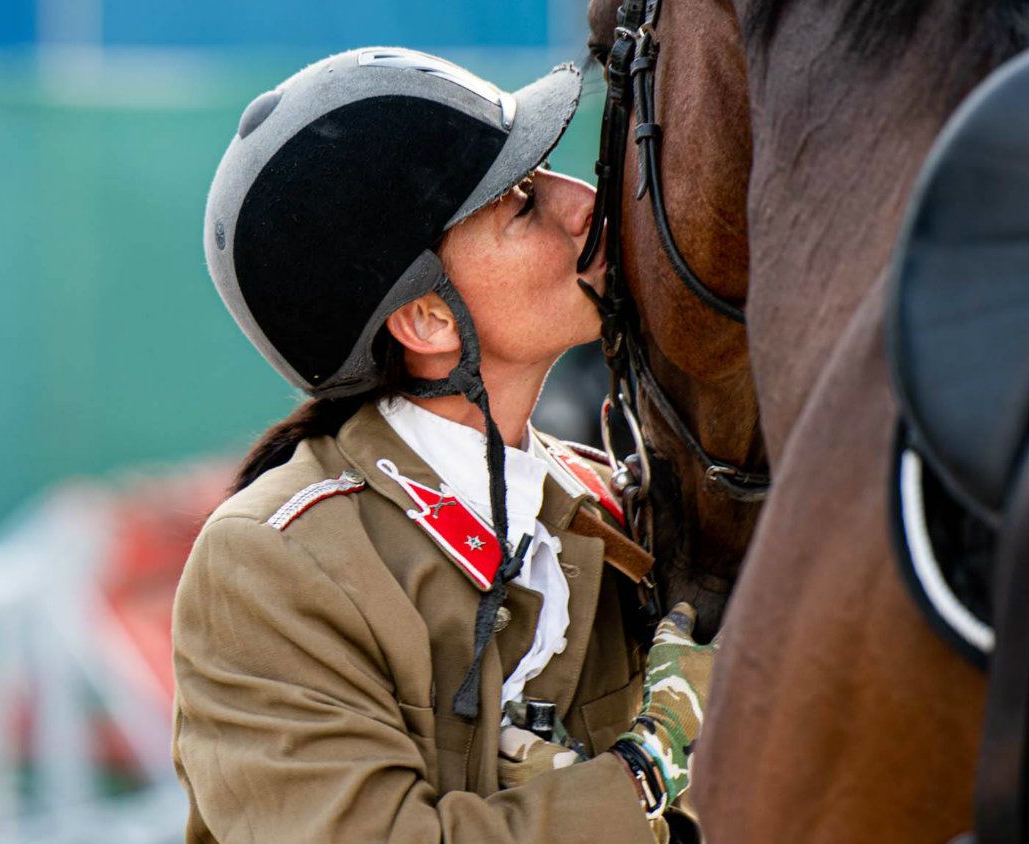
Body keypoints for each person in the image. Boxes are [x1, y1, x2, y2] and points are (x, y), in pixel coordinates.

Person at [172, 47, 715, 844]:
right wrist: (648, 771)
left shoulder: (611, 513)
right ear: (427, 321)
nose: (583, 204)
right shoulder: (271, 566)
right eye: (522, 203)